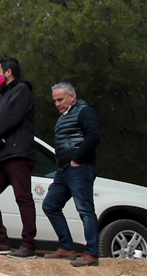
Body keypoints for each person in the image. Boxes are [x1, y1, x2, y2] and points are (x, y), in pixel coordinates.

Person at [0, 56, 37, 255]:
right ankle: (0, 239)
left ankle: (28, 244)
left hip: (18, 154)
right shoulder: (0, 97)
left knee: (23, 198)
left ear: (8, 72)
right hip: (0, 156)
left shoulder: (22, 90)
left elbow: (9, 120)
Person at [42, 81, 102, 265]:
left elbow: (94, 136)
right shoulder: (63, 117)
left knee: (85, 210)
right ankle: (67, 247)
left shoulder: (84, 111)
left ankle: (91, 253)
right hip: (63, 170)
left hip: (79, 167)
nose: (57, 104)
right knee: (50, 205)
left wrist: (77, 159)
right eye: (55, 100)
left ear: (72, 97)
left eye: (60, 99)